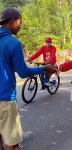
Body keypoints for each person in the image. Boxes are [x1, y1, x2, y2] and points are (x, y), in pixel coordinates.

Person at [0, 7, 55, 150]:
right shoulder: (14, 43)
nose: (21, 26)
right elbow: (23, 72)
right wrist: (44, 68)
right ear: (13, 21)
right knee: (13, 143)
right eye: (20, 22)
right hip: (5, 98)